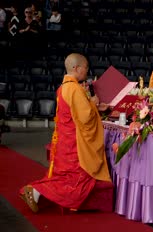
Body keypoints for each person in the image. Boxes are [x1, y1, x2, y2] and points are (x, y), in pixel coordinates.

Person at [20, 53, 112, 213]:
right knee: (77, 180)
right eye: (86, 67)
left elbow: (74, 113)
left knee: (66, 177)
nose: (87, 71)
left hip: (65, 139)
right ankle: (35, 190)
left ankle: (37, 192)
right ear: (76, 68)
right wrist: (93, 102)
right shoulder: (74, 89)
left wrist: (94, 106)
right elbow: (85, 118)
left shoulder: (63, 87)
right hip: (75, 144)